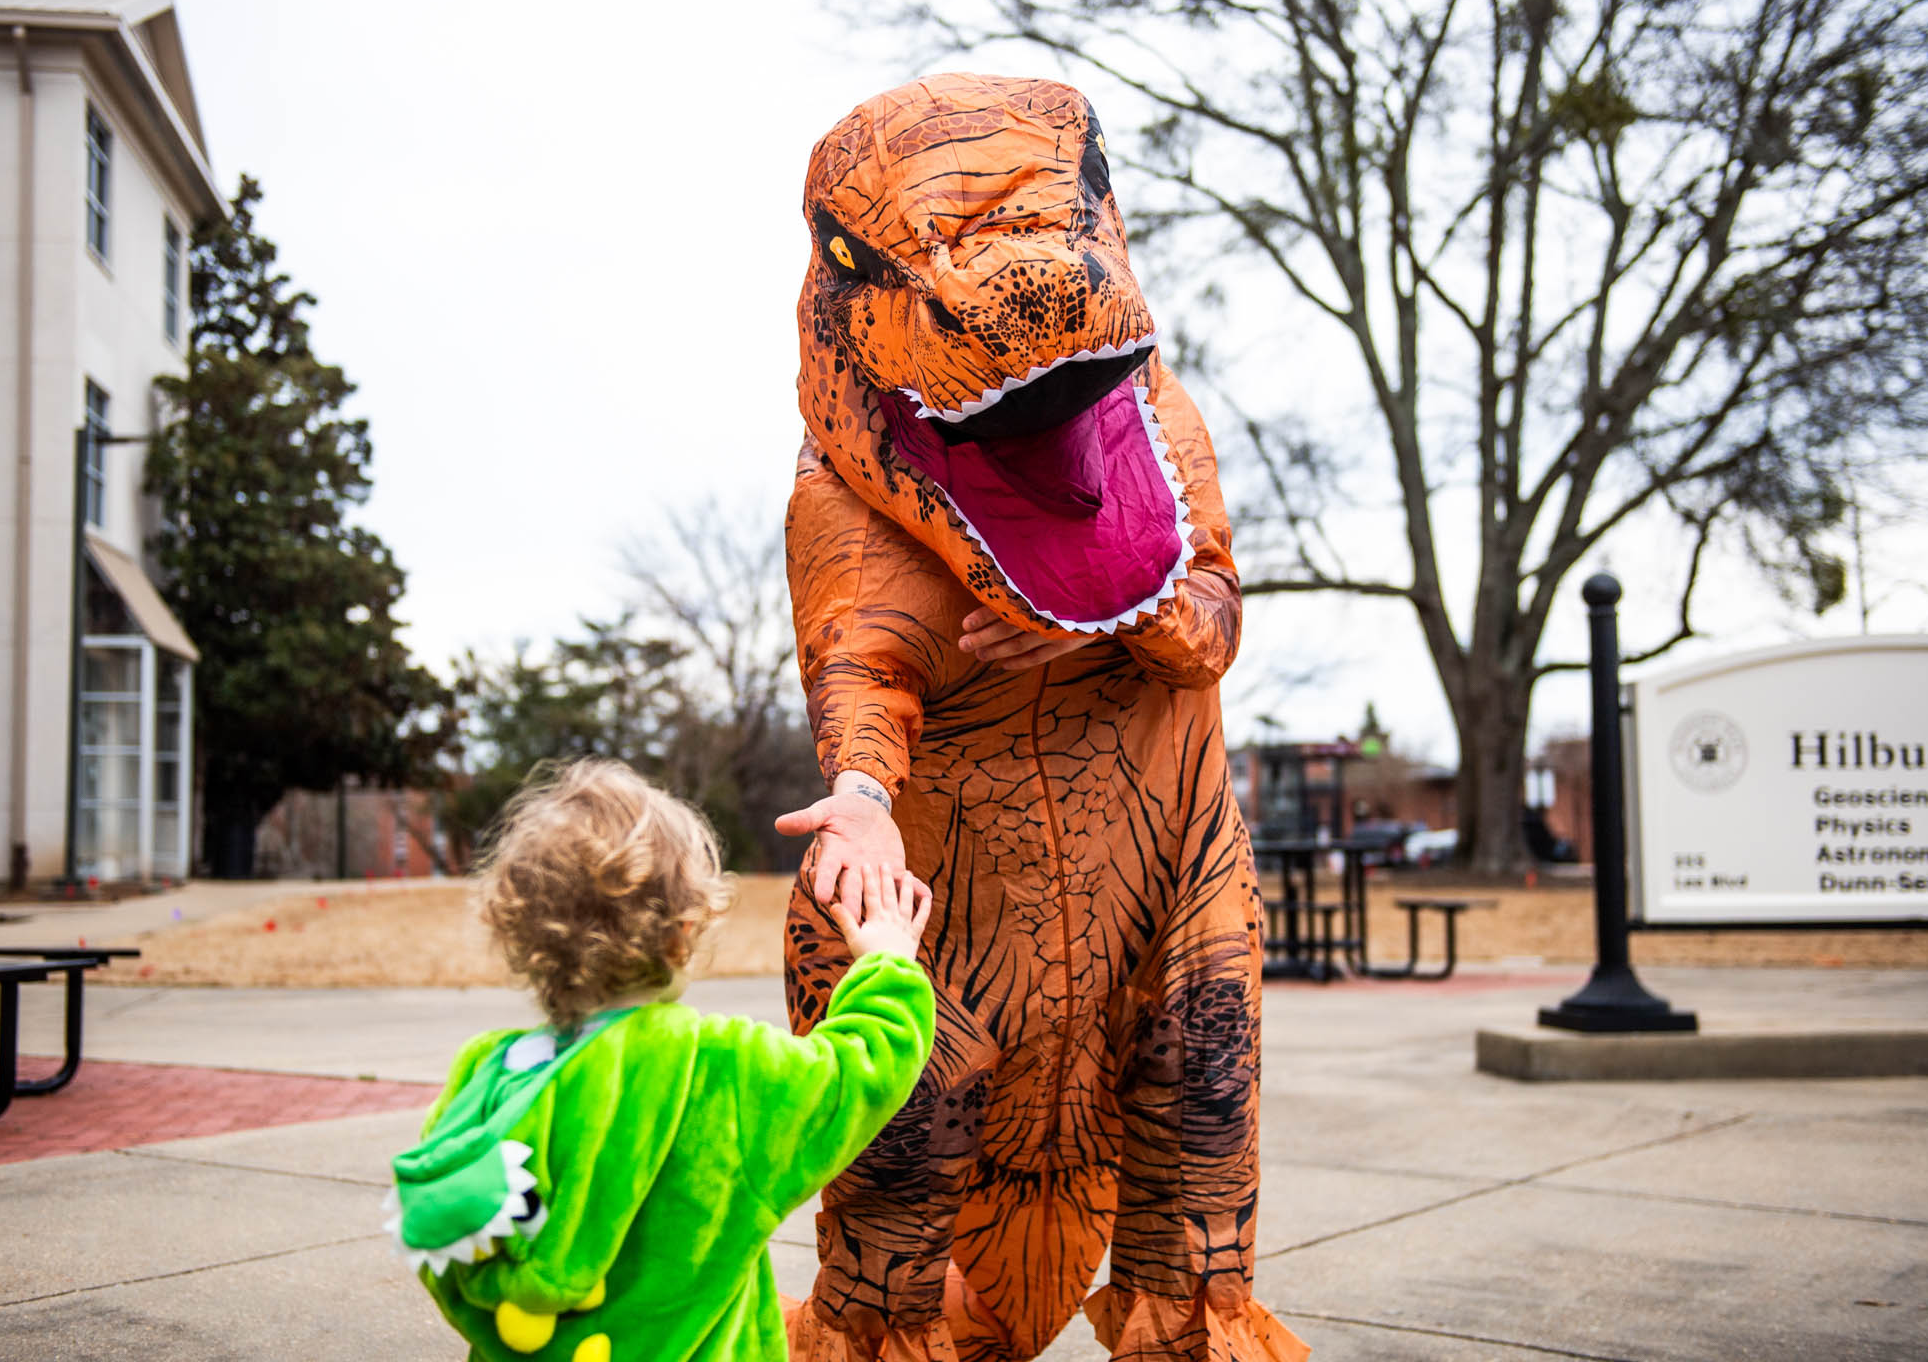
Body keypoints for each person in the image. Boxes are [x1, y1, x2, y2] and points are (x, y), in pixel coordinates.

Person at [773, 74, 1307, 1361]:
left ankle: (1193, 1314)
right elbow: (866, 663)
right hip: (958, 896)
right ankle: (882, 1318)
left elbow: (1212, 625)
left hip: (1162, 874)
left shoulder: (1161, 436)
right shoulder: (848, 492)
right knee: (905, 1106)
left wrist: (1113, 612)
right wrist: (859, 794)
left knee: (1202, 1071)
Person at [388, 759, 935, 1362]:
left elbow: (440, 1227)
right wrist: (888, 964)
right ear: (682, 931)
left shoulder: (489, 1075)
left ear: (526, 939)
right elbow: (857, 1072)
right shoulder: (716, 1066)